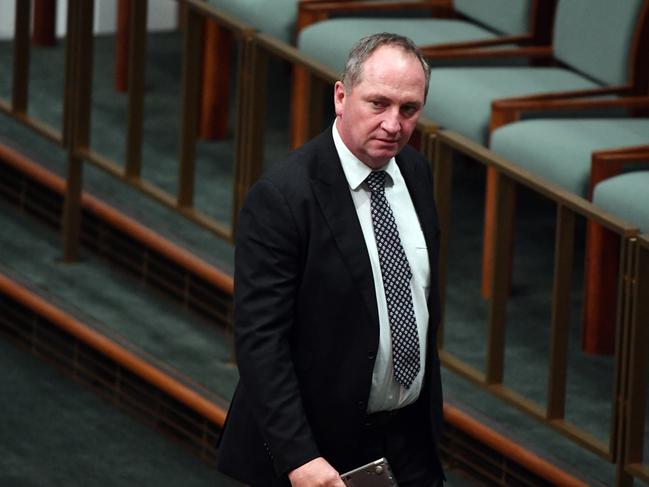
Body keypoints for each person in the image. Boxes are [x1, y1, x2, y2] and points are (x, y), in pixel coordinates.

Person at [217, 33, 444, 487]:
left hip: (407, 444)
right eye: (378, 104)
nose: (393, 125)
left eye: (409, 110)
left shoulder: (415, 173)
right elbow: (261, 340)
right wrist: (300, 456)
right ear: (341, 96)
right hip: (315, 454)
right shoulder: (284, 197)